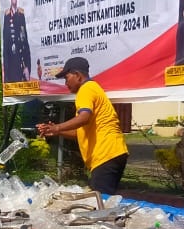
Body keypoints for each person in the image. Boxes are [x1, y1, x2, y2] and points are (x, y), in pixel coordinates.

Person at [36, 56, 129, 194]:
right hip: (112, 153)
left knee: (100, 204)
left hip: (106, 154)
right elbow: (80, 132)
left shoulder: (86, 89)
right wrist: (58, 132)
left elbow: (84, 118)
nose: (66, 83)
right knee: (100, 200)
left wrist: (57, 127)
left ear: (78, 75)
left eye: (67, 78)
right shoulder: (92, 89)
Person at [1, 0, 32, 83]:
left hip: (22, 65)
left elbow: (25, 43)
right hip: (11, 68)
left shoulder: (21, 14)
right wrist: (5, 73)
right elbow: (6, 46)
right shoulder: (7, 16)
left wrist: (26, 66)